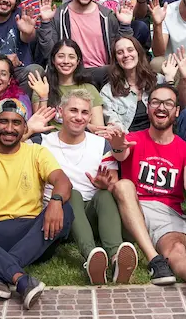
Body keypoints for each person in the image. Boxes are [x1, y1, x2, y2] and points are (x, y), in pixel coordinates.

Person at [0, 100, 75, 308]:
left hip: (33, 231)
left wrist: (56, 201)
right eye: (3, 121)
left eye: (16, 122)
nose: (9, 128)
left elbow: (63, 182)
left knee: (65, 208)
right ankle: (20, 279)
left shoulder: (36, 153)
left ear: (24, 127)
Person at [110, 83, 186, 294]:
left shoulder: (184, 148)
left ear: (176, 111)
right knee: (123, 186)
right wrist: (117, 146)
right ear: (148, 108)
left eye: (168, 103)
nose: (161, 107)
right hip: (133, 209)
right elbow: (120, 154)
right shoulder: (133, 139)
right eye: (156, 102)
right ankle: (155, 261)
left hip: (168, 213)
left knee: (177, 250)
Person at [37, 92, 134, 284]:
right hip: (58, 216)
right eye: (73, 110)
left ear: (90, 117)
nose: (79, 117)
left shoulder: (101, 144)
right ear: (60, 112)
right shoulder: (43, 142)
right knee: (72, 193)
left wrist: (105, 185)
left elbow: (113, 182)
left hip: (90, 216)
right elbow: (9, 147)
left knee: (104, 195)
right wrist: (29, 129)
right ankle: (92, 257)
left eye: (84, 112)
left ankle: (116, 258)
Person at [37, 0, 128, 71]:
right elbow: (48, 53)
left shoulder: (107, 16)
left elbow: (123, 49)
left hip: (103, 72)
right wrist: (45, 22)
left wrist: (125, 25)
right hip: (70, 73)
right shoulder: (59, 15)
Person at [100, 34, 157, 132]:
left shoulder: (157, 80)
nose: (126, 55)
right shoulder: (107, 91)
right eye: (120, 52)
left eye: (130, 50)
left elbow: (171, 113)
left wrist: (169, 80)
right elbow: (115, 125)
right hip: (128, 138)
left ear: (138, 53)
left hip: (156, 137)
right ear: (116, 59)